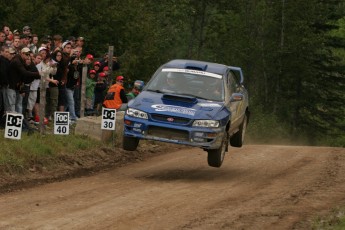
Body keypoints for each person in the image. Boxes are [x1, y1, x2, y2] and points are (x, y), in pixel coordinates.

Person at [7, 47, 40, 113]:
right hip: (11, 85)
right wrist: (38, 73)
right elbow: (24, 72)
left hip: (17, 86)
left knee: (18, 104)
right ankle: (14, 121)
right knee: (12, 105)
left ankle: (20, 120)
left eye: (29, 55)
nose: (28, 56)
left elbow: (27, 70)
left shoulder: (21, 61)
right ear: (22, 53)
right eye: (26, 54)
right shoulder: (17, 61)